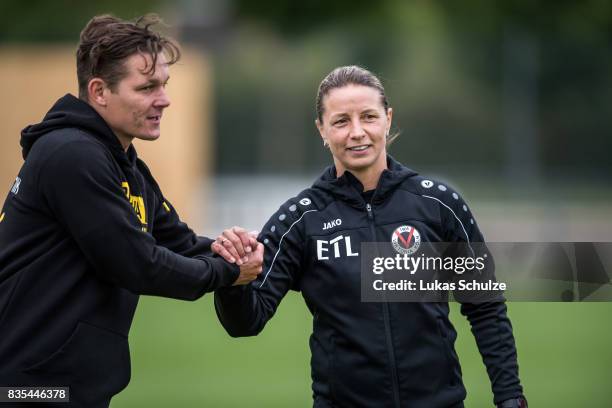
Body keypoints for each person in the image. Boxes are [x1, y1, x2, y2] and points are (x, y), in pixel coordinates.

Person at [213, 66, 527, 408]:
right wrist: (235, 279)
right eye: (341, 121)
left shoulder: (438, 204)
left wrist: (510, 396)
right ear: (321, 129)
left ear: (388, 119)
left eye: (368, 117)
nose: (357, 132)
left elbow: (485, 307)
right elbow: (246, 321)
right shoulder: (301, 219)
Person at [0, 14, 262, 408]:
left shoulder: (126, 165)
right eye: (147, 87)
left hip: (73, 386)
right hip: (29, 387)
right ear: (99, 91)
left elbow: (181, 243)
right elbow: (137, 264)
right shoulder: (72, 155)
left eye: (164, 85)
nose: (164, 99)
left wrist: (234, 249)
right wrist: (226, 271)